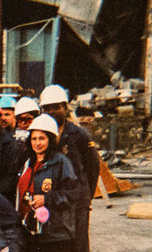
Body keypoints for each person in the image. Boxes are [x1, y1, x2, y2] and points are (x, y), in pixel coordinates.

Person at [39, 84, 100, 252]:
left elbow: (93, 167)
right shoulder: (43, 134)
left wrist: (86, 196)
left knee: (79, 243)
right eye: (47, 108)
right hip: (55, 199)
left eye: (56, 107)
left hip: (78, 201)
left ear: (65, 108)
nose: (51, 111)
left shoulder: (79, 135)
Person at [16, 114, 80, 251]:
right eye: (34, 138)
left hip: (55, 233)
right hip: (31, 230)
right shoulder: (28, 162)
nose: (37, 143)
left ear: (50, 140)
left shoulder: (61, 162)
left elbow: (73, 194)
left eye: (42, 138)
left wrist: (47, 199)